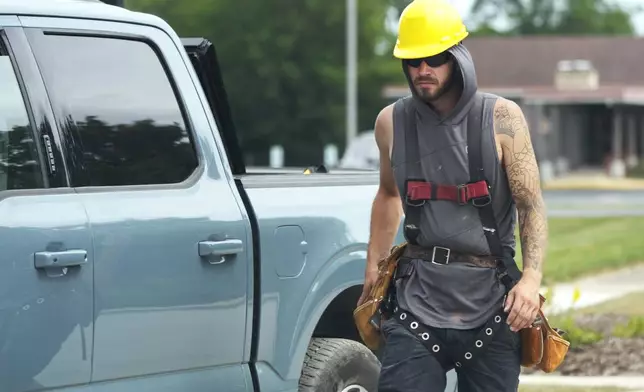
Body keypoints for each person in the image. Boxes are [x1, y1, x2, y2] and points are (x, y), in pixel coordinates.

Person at [355, 0, 548, 391]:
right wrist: (373, 269)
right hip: (416, 302)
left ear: (458, 56)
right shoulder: (390, 122)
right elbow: (389, 195)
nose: (423, 70)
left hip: (493, 306)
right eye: (413, 61)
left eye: (435, 57)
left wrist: (531, 278)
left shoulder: (503, 119)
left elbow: (530, 206)